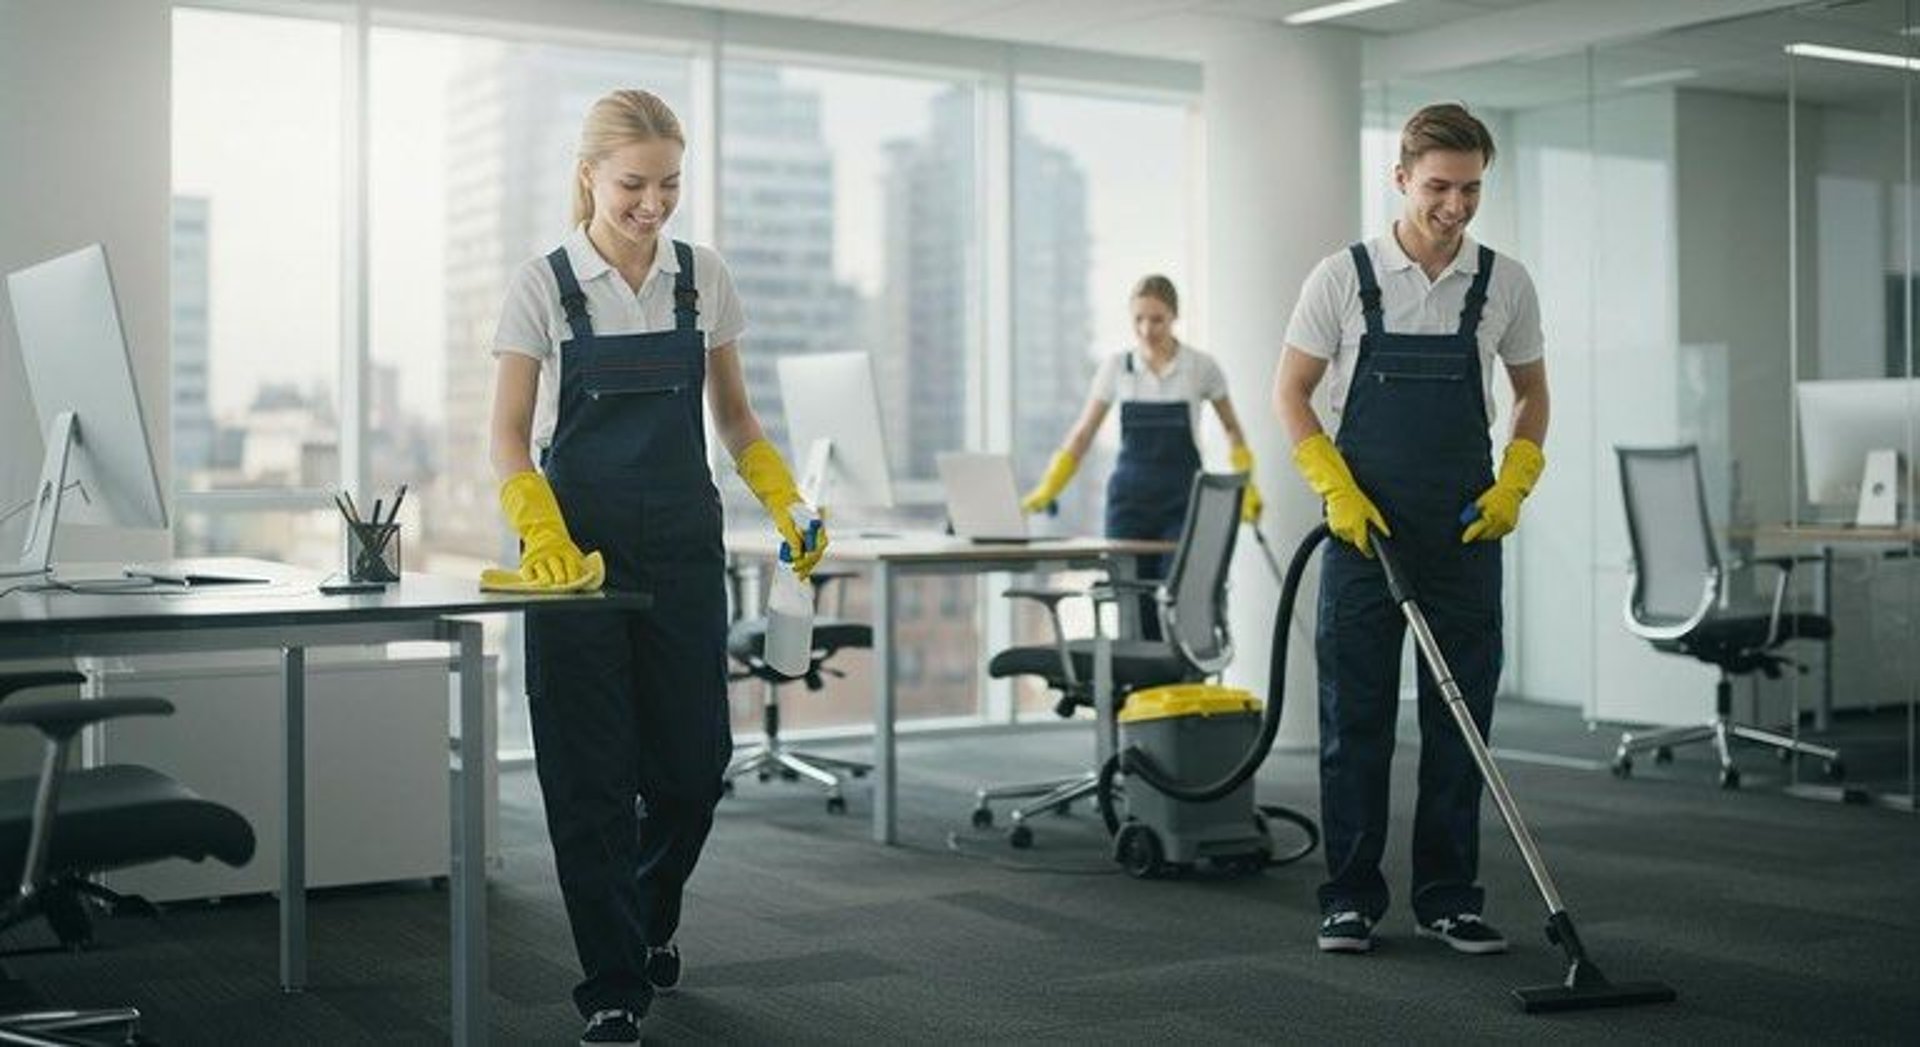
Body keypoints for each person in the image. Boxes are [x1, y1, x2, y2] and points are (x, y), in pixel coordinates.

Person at [484, 89, 825, 1044]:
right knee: (589, 778)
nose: (653, 203)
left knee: (692, 768)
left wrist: (786, 499)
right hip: (575, 561)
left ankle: (644, 915)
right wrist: (542, 535)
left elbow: (737, 419)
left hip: (681, 547)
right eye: (634, 183)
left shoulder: (700, 277)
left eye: (670, 183)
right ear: (589, 175)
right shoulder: (542, 285)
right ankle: (613, 984)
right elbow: (508, 437)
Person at [1274, 102, 1549, 957]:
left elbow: (1531, 393)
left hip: (1465, 531)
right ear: (1401, 178)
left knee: (1459, 723)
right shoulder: (1342, 277)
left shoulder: (1504, 282)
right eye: (1438, 187)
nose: (1455, 206)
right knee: (1355, 720)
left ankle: (1448, 899)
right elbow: (1291, 391)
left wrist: (1515, 481)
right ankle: (1351, 898)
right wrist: (1334, 488)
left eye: (1471, 189)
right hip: (1365, 533)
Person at [1019, 275, 1264, 637]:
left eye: (1157, 319)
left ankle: (1177, 672)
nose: (1147, 329)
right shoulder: (1116, 368)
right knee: (1131, 610)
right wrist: (1049, 486)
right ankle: (1136, 675)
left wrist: (1248, 487)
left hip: (1181, 504)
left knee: (1177, 602)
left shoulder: (1201, 368)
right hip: (1128, 507)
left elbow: (1232, 429)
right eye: (1139, 319)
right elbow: (1083, 434)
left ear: (1174, 316)